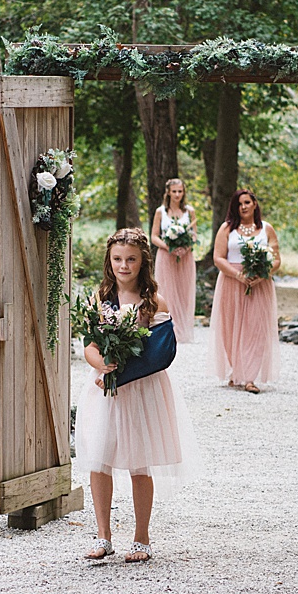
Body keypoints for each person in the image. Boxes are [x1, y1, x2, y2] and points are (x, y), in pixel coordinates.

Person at [74, 228, 202, 562]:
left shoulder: (153, 301)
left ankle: (141, 537)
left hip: (141, 389)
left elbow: (161, 351)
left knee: (138, 463)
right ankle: (103, 536)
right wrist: (103, 364)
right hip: (105, 388)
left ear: (142, 260)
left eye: (131, 259)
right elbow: (88, 344)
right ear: (109, 260)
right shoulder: (100, 299)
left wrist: (125, 372)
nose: (124, 266)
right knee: (99, 460)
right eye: (117, 259)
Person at [209, 190, 281, 394]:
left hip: (259, 283)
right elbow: (218, 257)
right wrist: (238, 275)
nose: (244, 207)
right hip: (232, 282)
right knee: (231, 328)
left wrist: (262, 274)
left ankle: (249, 377)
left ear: (255, 204)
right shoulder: (227, 228)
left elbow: (276, 259)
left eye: (247, 202)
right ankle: (237, 370)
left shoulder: (266, 229)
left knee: (255, 328)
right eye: (240, 203)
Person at [149, 178, 197, 343]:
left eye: (180, 191)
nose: (177, 194)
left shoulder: (189, 211)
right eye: (174, 191)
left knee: (183, 290)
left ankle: (183, 329)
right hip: (166, 256)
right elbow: (154, 236)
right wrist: (168, 247)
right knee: (166, 290)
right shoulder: (160, 211)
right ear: (168, 192)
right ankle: (167, 329)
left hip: (185, 257)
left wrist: (185, 248)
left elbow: (194, 235)